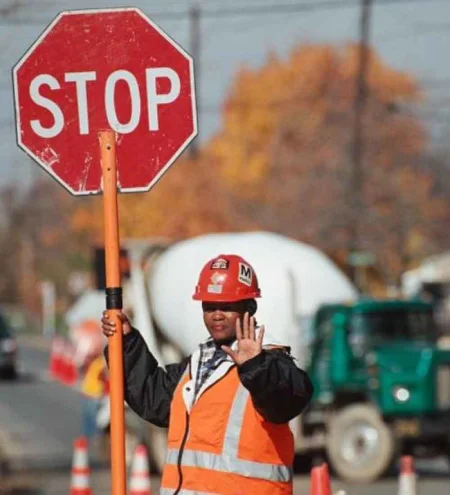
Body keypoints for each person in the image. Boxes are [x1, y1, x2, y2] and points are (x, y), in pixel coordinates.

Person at [102, 254, 313, 495]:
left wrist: (256, 366)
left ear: (250, 308)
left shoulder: (272, 363)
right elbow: (154, 398)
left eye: (227, 306)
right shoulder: (199, 363)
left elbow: (287, 400)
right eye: (209, 306)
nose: (217, 314)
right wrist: (127, 343)